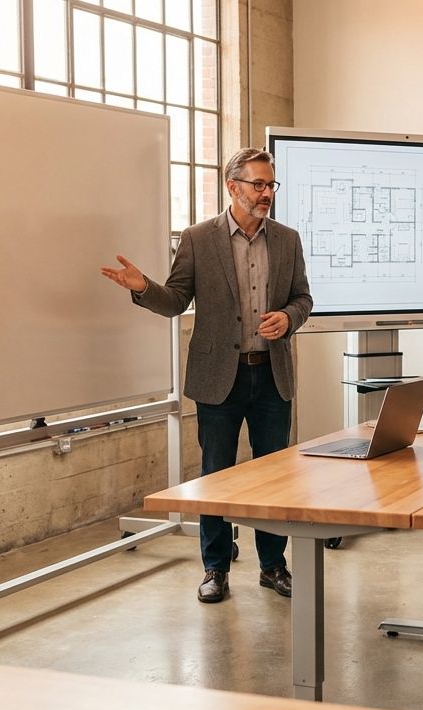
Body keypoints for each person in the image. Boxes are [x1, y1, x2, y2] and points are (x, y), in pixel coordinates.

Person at [102, 148, 313, 604]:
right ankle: (215, 568)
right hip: (220, 377)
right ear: (232, 186)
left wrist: (290, 318)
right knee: (216, 476)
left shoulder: (288, 239)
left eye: (271, 184)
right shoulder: (199, 239)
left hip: (272, 376)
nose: (266, 193)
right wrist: (143, 288)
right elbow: (177, 300)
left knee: (273, 478)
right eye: (258, 184)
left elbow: (303, 298)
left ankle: (273, 565)